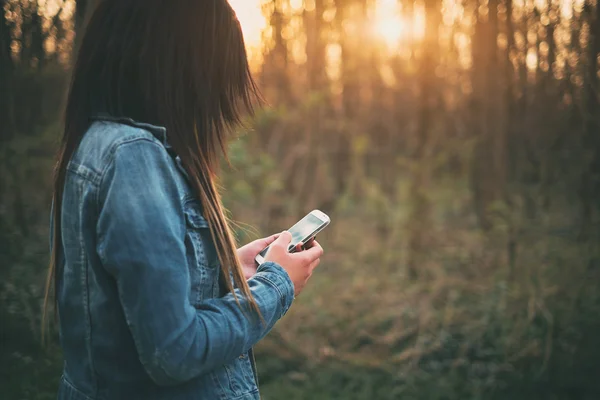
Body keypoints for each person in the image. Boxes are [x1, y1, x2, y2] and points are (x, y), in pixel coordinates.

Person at [43, 1, 324, 399]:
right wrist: (277, 285)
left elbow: (132, 299)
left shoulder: (94, 145)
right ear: (183, 67)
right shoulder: (133, 157)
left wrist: (227, 270)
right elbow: (174, 350)